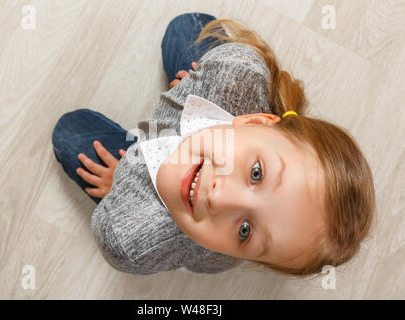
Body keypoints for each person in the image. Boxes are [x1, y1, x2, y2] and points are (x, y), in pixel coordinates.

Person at [52, 13, 375, 276]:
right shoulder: (237, 72)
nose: (219, 197)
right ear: (256, 121)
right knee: (186, 27)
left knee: (70, 135)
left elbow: (117, 227)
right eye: (257, 173)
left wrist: (119, 187)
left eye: (245, 231)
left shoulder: (130, 239)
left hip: (132, 176)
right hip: (208, 96)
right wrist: (190, 87)